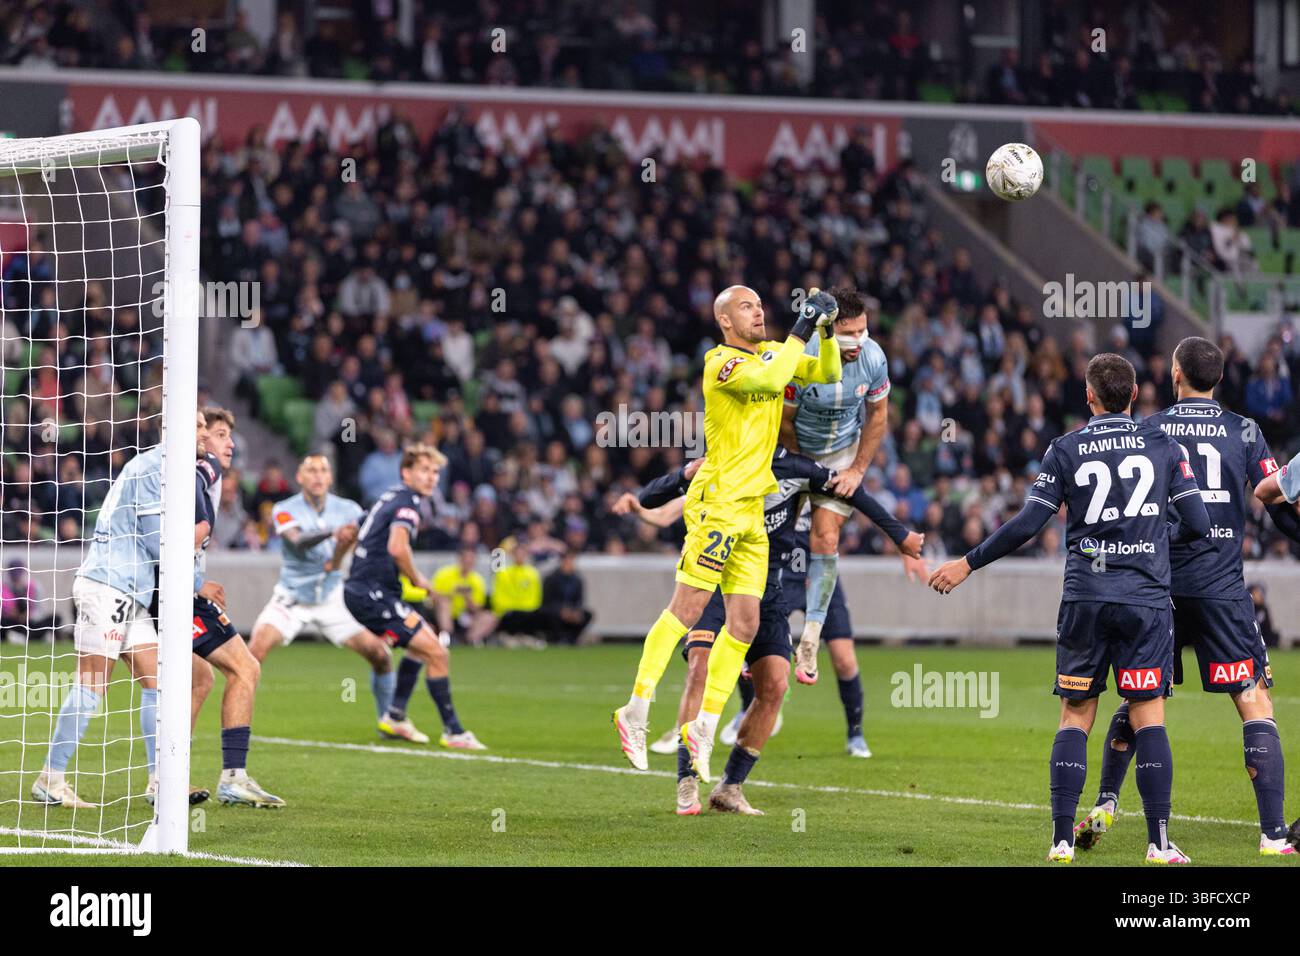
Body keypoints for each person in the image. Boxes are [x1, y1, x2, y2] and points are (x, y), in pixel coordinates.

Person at [928, 353, 1210, 864]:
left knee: (1075, 715)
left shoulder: (1066, 448)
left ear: (1089, 396)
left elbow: (1028, 523)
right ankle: (1159, 843)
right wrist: (1153, 541)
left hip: (1086, 595)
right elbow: (1198, 522)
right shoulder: (1164, 445)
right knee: (1149, 720)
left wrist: (968, 563)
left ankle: (1061, 840)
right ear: (1135, 394)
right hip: (1145, 599)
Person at [1076, 337, 1300, 857]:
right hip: (1222, 588)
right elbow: (1273, 499)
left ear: (1175, 374)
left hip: (1157, 587)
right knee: (1253, 700)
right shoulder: (1245, 430)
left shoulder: (1148, 428)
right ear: (1218, 379)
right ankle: (1272, 835)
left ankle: (1107, 801)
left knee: (1142, 697)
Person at [611, 285, 841, 780]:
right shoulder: (722, 364)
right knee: (688, 607)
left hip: (750, 511)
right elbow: (778, 375)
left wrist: (824, 329)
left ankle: (704, 726)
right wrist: (804, 323)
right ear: (725, 322)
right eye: (746, 306)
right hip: (716, 504)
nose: (758, 311)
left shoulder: (774, 352)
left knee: (744, 624)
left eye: (761, 304)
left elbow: (826, 371)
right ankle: (635, 707)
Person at [615, 447, 923, 814]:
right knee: (699, 666)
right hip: (716, 583)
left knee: (775, 685)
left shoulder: (794, 467)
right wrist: (659, 491)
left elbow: (851, 491)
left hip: (769, 588)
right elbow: (665, 499)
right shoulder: (724, 458)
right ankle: (687, 781)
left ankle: (731, 786)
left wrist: (900, 535)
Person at [781, 288, 899, 703]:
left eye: (863, 331)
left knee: (825, 538)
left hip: (842, 454)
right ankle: (754, 628)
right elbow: (784, 419)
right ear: (828, 329)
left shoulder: (873, 357)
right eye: (848, 333)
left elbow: (878, 415)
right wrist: (797, 467)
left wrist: (857, 469)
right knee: (771, 537)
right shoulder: (801, 357)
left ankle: (811, 635)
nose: (857, 342)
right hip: (797, 452)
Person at [341, 444, 486, 750]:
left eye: (435, 472)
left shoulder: (389, 496)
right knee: (438, 653)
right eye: (424, 470)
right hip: (373, 594)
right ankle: (454, 731)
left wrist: (334, 562)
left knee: (423, 646)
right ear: (406, 472)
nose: (431, 477)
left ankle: (395, 714)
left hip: (366, 591)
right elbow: (397, 547)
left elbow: (351, 530)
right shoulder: (408, 503)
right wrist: (418, 578)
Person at [249, 454, 400, 734]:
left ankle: (389, 722)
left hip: (333, 597)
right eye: (311, 470)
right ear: (300, 477)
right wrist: (334, 532)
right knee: (253, 653)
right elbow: (298, 540)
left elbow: (358, 547)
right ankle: (239, 724)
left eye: (323, 471)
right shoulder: (284, 508)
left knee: (381, 655)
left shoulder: (349, 509)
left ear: (330, 478)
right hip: (292, 597)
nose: (318, 476)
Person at [191, 407, 285, 807]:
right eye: (221, 434)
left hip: (165, 591)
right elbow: (177, 539)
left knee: (198, 681)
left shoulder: (200, 480)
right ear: (200, 439)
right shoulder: (197, 474)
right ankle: (233, 777)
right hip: (175, 594)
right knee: (245, 668)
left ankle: (161, 775)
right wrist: (196, 584)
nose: (230, 443)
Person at [429, 545, 492, 645]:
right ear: (460, 559)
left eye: (471, 559)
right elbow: (432, 596)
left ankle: (471, 639)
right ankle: (448, 636)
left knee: (489, 616)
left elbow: (477, 608)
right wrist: (452, 593)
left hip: (466, 616)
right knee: (444, 603)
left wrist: (468, 598)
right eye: (466, 559)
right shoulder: (444, 574)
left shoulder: (477, 580)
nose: (468, 562)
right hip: (446, 615)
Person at [541, 549, 593, 644]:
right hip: (555, 610)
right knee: (550, 614)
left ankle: (572, 638)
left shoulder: (577, 580)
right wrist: (562, 610)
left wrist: (575, 610)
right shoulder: (551, 579)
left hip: (571, 610)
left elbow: (579, 600)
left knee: (587, 614)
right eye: (568, 561)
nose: (570, 564)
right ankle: (556, 638)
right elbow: (547, 601)